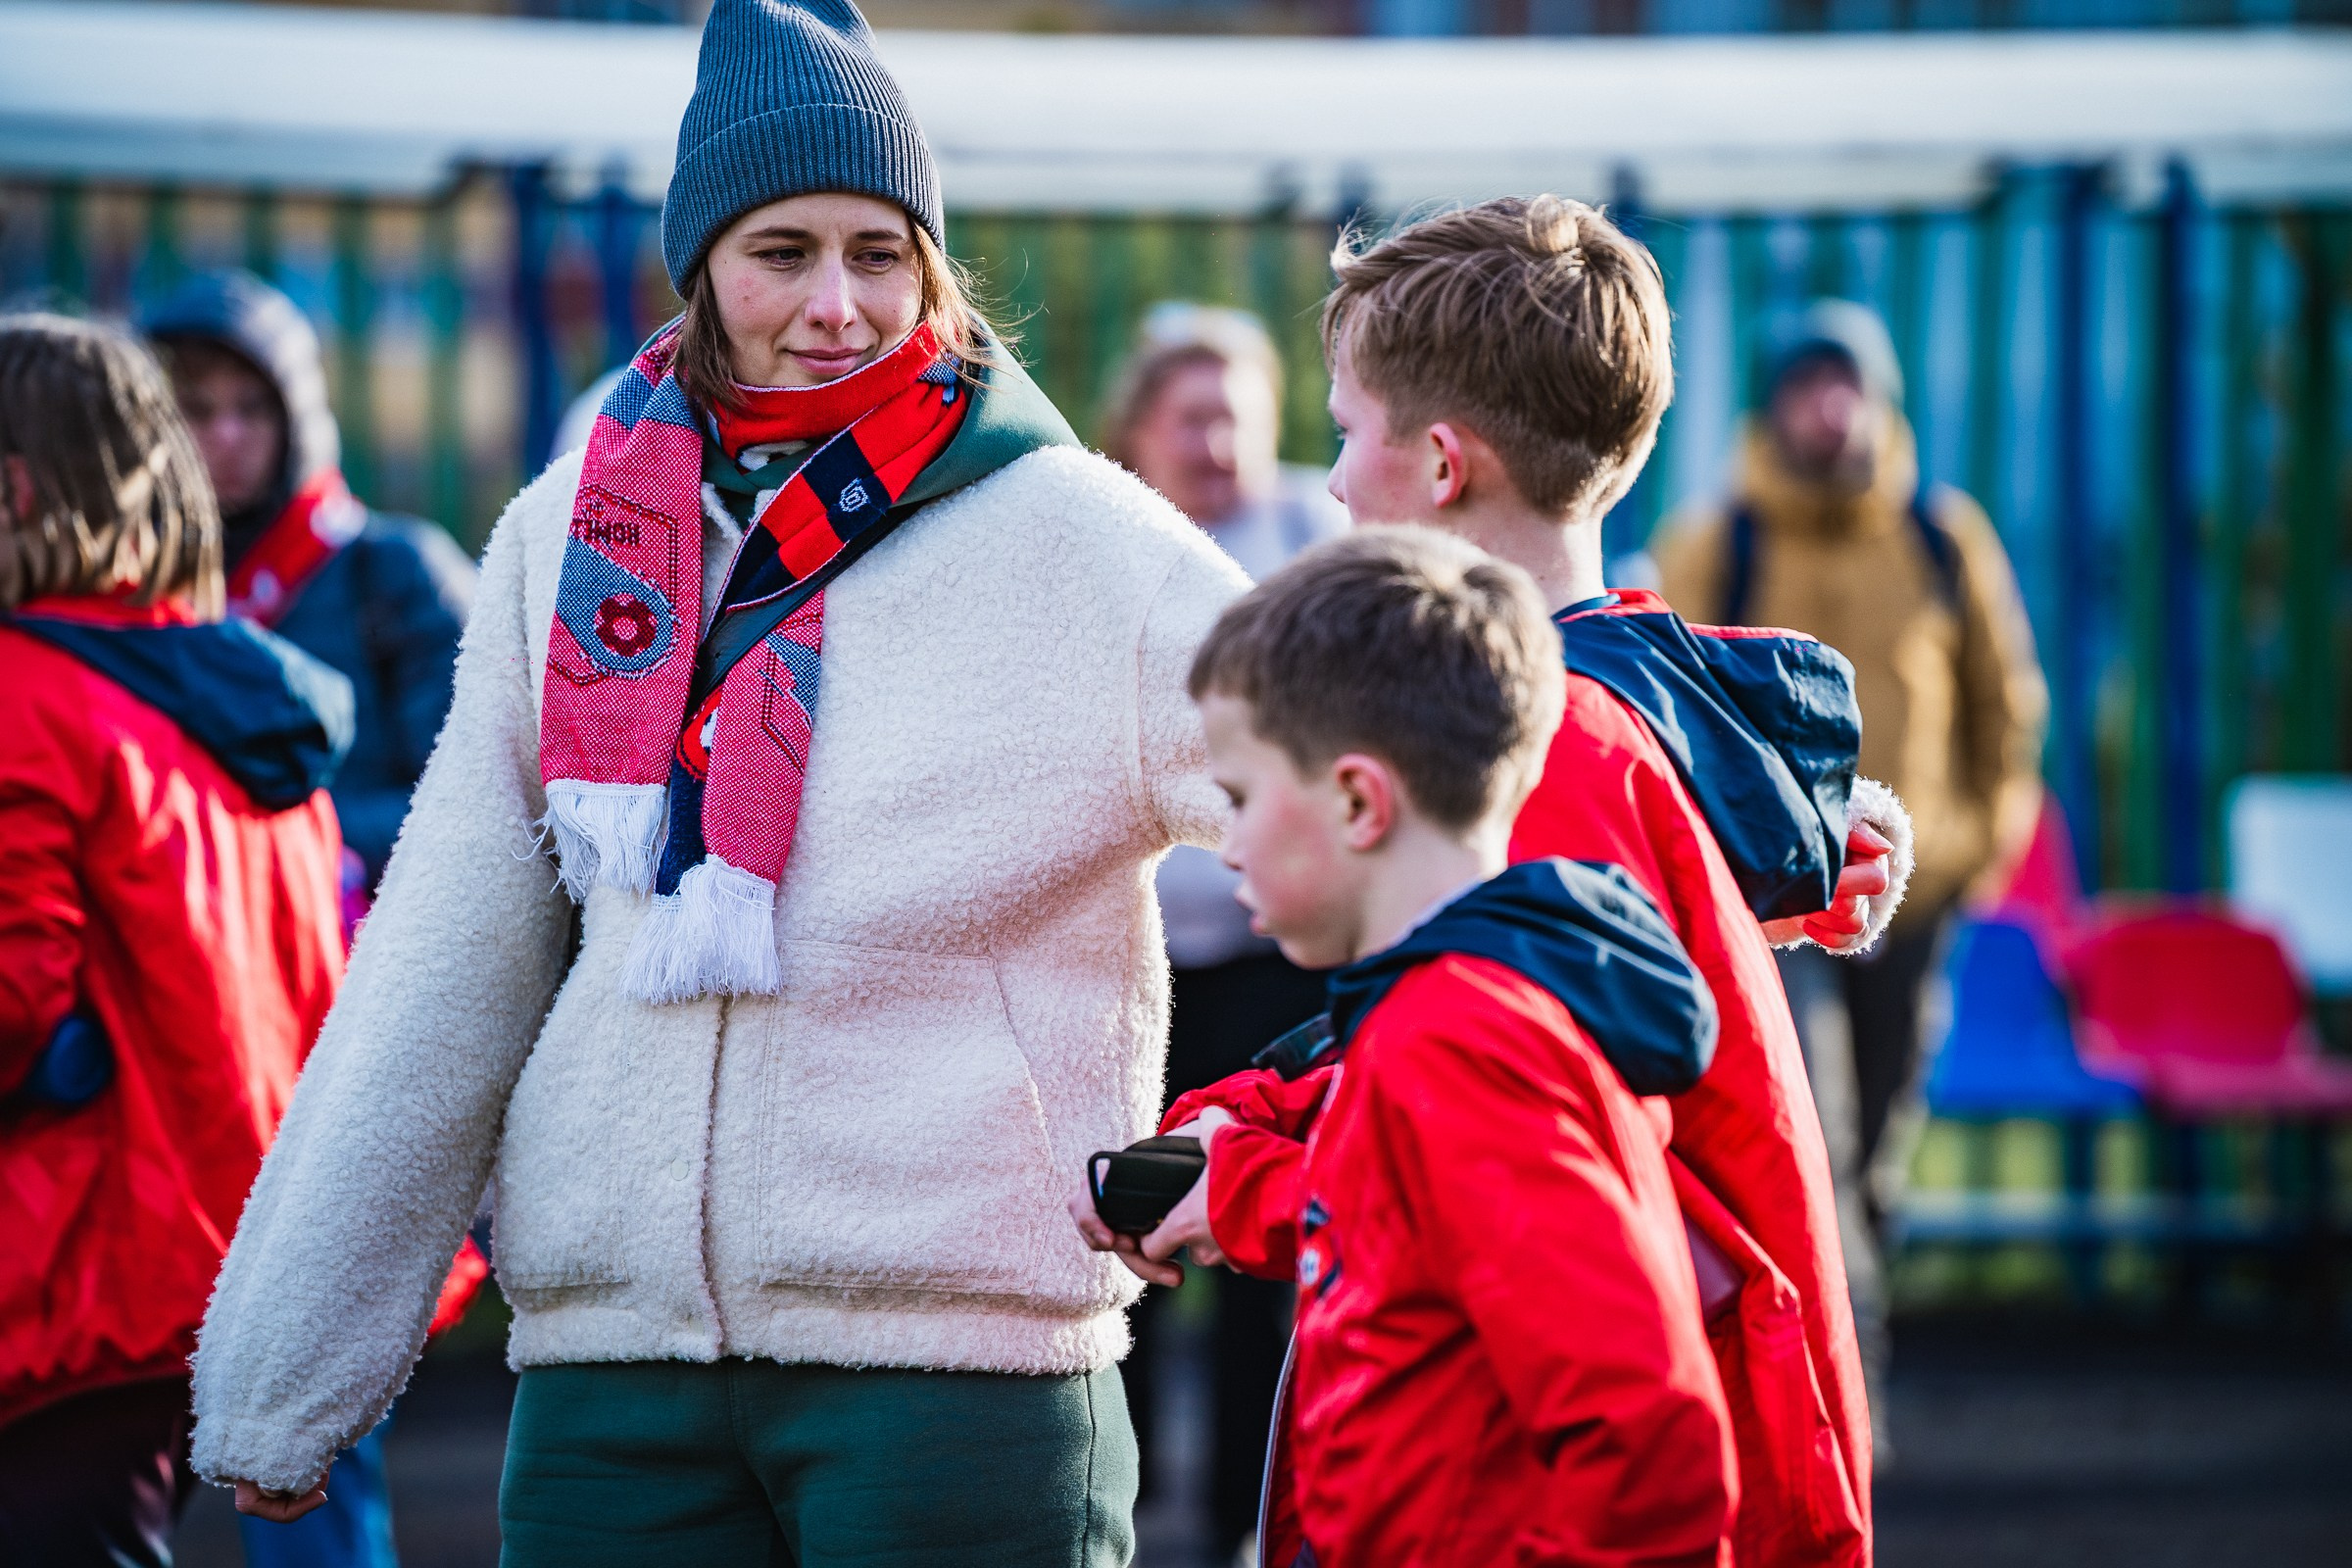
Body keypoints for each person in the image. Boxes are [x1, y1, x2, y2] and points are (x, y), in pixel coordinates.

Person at [187, 3, 1249, 1564]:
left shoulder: (1086, 541)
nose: (838, 305)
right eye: (783, 252)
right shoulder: (568, 532)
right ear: (703, 270)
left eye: (882, 254)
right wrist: (290, 1375)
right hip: (613, 1387)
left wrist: (1293, 1118)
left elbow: (1366, 803)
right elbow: (448, 959)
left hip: (956, 1382)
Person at [1105, 197, 1912, 1567]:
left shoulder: (1539, 750)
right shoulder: (1608, 708)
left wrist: (1241, 1180)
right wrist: (1232, 1122)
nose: (1335, 482)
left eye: (1352, 432)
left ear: (1436, 462)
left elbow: (1498, 1125)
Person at [1083, 527, 1740, 1565]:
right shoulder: (1441, 1018)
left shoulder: (1458, 1043)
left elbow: (1652, 1443)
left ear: (1356, 800)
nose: (1230, 842)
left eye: (1244, 799)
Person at [1654, 299, 2046, 1446]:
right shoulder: (1721, 538)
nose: (1830, 408)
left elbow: (2005, 705)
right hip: (1778, 910)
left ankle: (1837, 1354)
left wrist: (1982, 846)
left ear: (1881, 401)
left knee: (1877, 1145)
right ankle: (1841, 1401)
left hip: (1916, 901)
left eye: (1849, 384)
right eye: (1807, 385)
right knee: (1810, 1133)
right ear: (1773, 407)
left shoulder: (1941, 534)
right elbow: (1668, 706)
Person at [0, 314, 350, 1567]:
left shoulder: (27, 689)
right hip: (211, 1276)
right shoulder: (240, 694)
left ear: (19, 483)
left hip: (60, 1277)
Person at [1097, 301, 1345, 1557]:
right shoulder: (1105, 541)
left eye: (1235, 414)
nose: (1214, 440)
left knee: (1263, 1256)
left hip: (1272, 963)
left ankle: (1241, 1523)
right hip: (1125, 965)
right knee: (1128, 1245)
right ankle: (1122, 1513)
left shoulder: (1315, 533)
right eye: (1187, 416)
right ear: (1136, 428)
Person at [142, 269, 475, 891]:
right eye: (198, 410)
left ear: (296, 415)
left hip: (368, 962)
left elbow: (479, 808)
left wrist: (260, 848)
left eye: (252, 408)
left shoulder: (397, 572)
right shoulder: (135, 588)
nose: (228, 436)